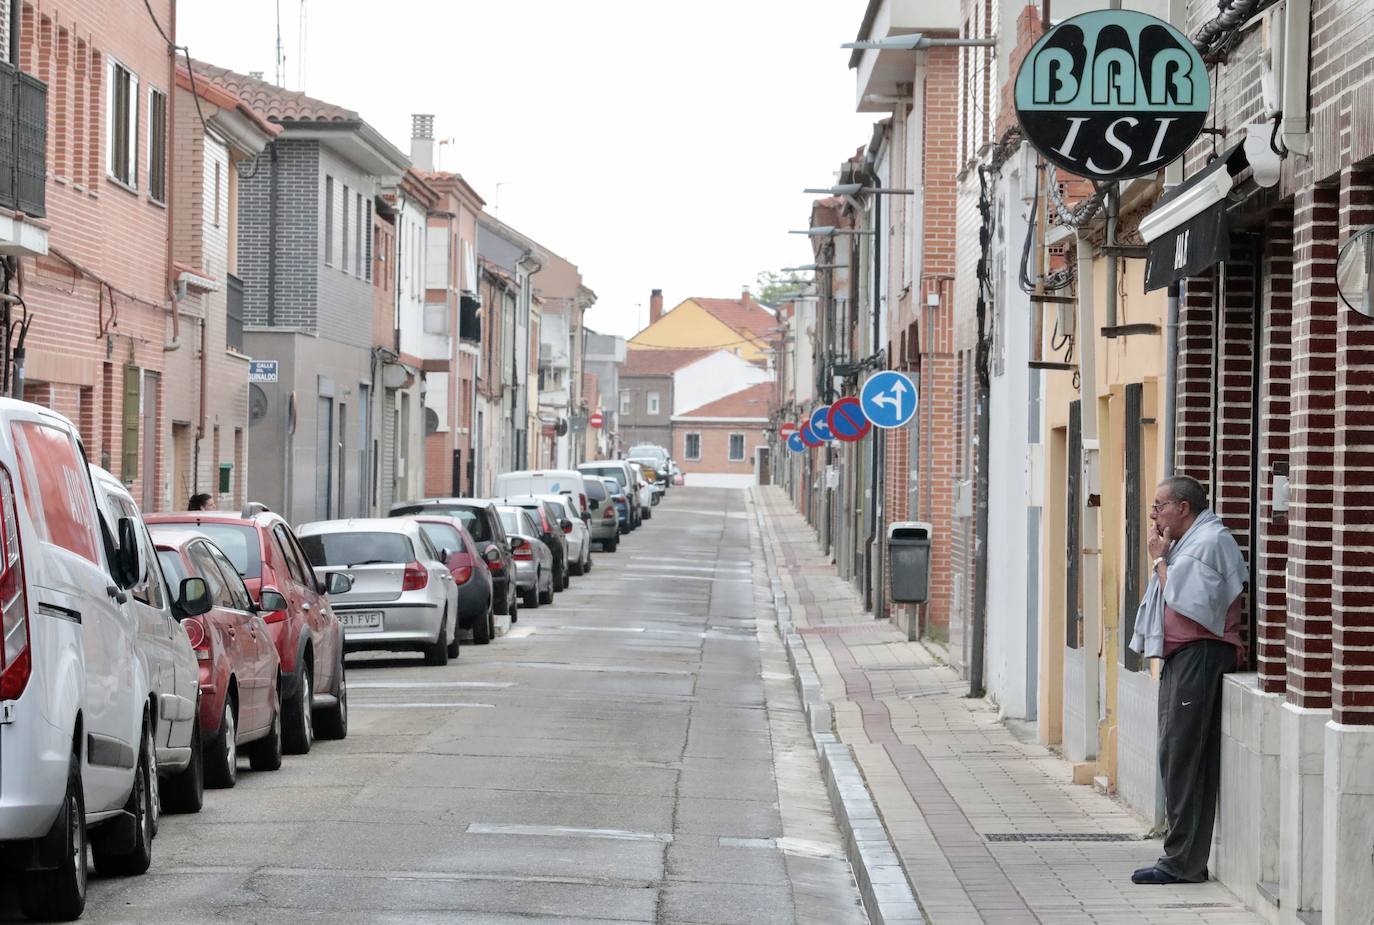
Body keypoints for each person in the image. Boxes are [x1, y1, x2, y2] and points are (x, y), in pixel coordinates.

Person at [1129, 475, 1247, 885]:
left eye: (1159, 506)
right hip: (1184, 658)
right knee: (1174, 755)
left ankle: (1181, 864)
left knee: (1184, 758)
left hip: (1202, 657)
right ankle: (1181, 859)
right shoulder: (1187, 542)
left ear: (1183, 507)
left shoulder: (1210, 541)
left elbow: (1190, 601)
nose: (1154, 515)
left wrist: (1160, 561)